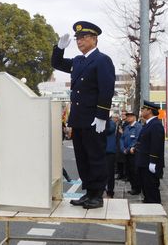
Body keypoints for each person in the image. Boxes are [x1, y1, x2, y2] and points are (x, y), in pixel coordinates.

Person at [51, 21, 115, 209]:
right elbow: (56, 63)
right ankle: (88, 192)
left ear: (94, 39)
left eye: (84, 37)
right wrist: (59, 48)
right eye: (78, 38)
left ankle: (97, 195)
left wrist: (102, 115)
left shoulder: (102, 60)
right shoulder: (78, 61)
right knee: (82, 157)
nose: (79, 41)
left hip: (94, 118)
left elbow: (106, 89)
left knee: (95, 156)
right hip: (78, 118)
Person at [135, 100, 165, 204]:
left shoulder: (156, 125)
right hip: (144, 162)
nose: (141, 111)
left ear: (149, 111)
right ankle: (149, 206)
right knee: (146, 189)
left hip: (150, 163)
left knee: (152, 189)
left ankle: (155, 208)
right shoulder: (149, 124)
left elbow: (156, 145)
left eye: (143, 109)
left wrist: (153, 161)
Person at [120, 112, 142, 195]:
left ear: (134, 117)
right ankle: (133, 187)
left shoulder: (138, 127)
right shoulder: (127, 127)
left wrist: (128, 149)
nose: (128, 118)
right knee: (129, 171)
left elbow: (137, 140)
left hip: (134, 153)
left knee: (135, 171)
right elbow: (122, 139)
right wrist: (123, 149)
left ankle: (137, 188)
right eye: (127, 116)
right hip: (126, 152)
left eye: (130, 116)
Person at [105, 115, 118, 198]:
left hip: (109, 152)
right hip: (101, 151)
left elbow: (109, 130)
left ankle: (110, 191)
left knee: (110, 173)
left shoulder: (111, 123)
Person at [116, 111, 127, 180]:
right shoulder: (120, 123)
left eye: (124, 114)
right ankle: (120, 174)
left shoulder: (128, 124)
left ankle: (125, 175)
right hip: (118, 143)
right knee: (118, 160)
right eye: (122, 114)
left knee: (124, 161)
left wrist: (122, 132)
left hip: (124, 144)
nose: (123, 115)